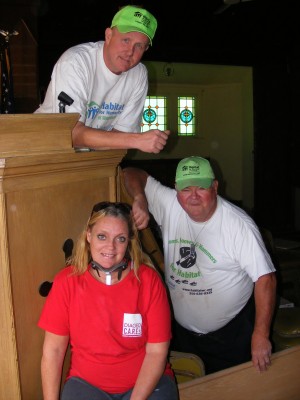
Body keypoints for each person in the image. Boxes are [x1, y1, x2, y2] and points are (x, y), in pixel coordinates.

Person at [122, 156, 277, 375]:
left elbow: (265, 278)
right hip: (181, 333)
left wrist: (260, 335)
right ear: (176, 189)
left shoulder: (238, 225)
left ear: (215, 187)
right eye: (185, 189)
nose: (193, 196)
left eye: (201, 187)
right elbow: (129, 172)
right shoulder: (169, 203)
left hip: (230, 335)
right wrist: (140, 198)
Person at [38, 201, 178, 400]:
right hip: (87, 385)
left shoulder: (149, 282)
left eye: (120, 239)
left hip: (146, 384)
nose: (110, 247)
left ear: (128, 242)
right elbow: (53, 350)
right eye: (102, 236)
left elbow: (157, 352)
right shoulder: (66, 282)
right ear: (88, 236)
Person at [34, 5, 170, 154]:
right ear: (109, 35)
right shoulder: (76, 62)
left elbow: (121, 136)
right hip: (42, 150)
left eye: (139, 46)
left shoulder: (139, 74)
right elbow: (71, 133)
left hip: (88, 158)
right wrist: (137, 140)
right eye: (126, 40)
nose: (130, 52)